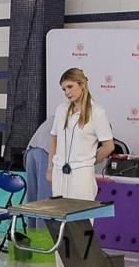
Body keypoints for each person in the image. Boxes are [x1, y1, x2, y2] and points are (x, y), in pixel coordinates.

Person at [47, 67, 115, 200]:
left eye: (70, 87)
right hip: (59, 173)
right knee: (59, 210)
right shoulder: (61, 110)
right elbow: (54, 139)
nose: (67, 92)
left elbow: (109, 146)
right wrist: (50, 168)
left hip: (81, 175)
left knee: (81, 211)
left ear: (82, 85)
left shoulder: (97, 112)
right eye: (64, 89)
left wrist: (89, 161)